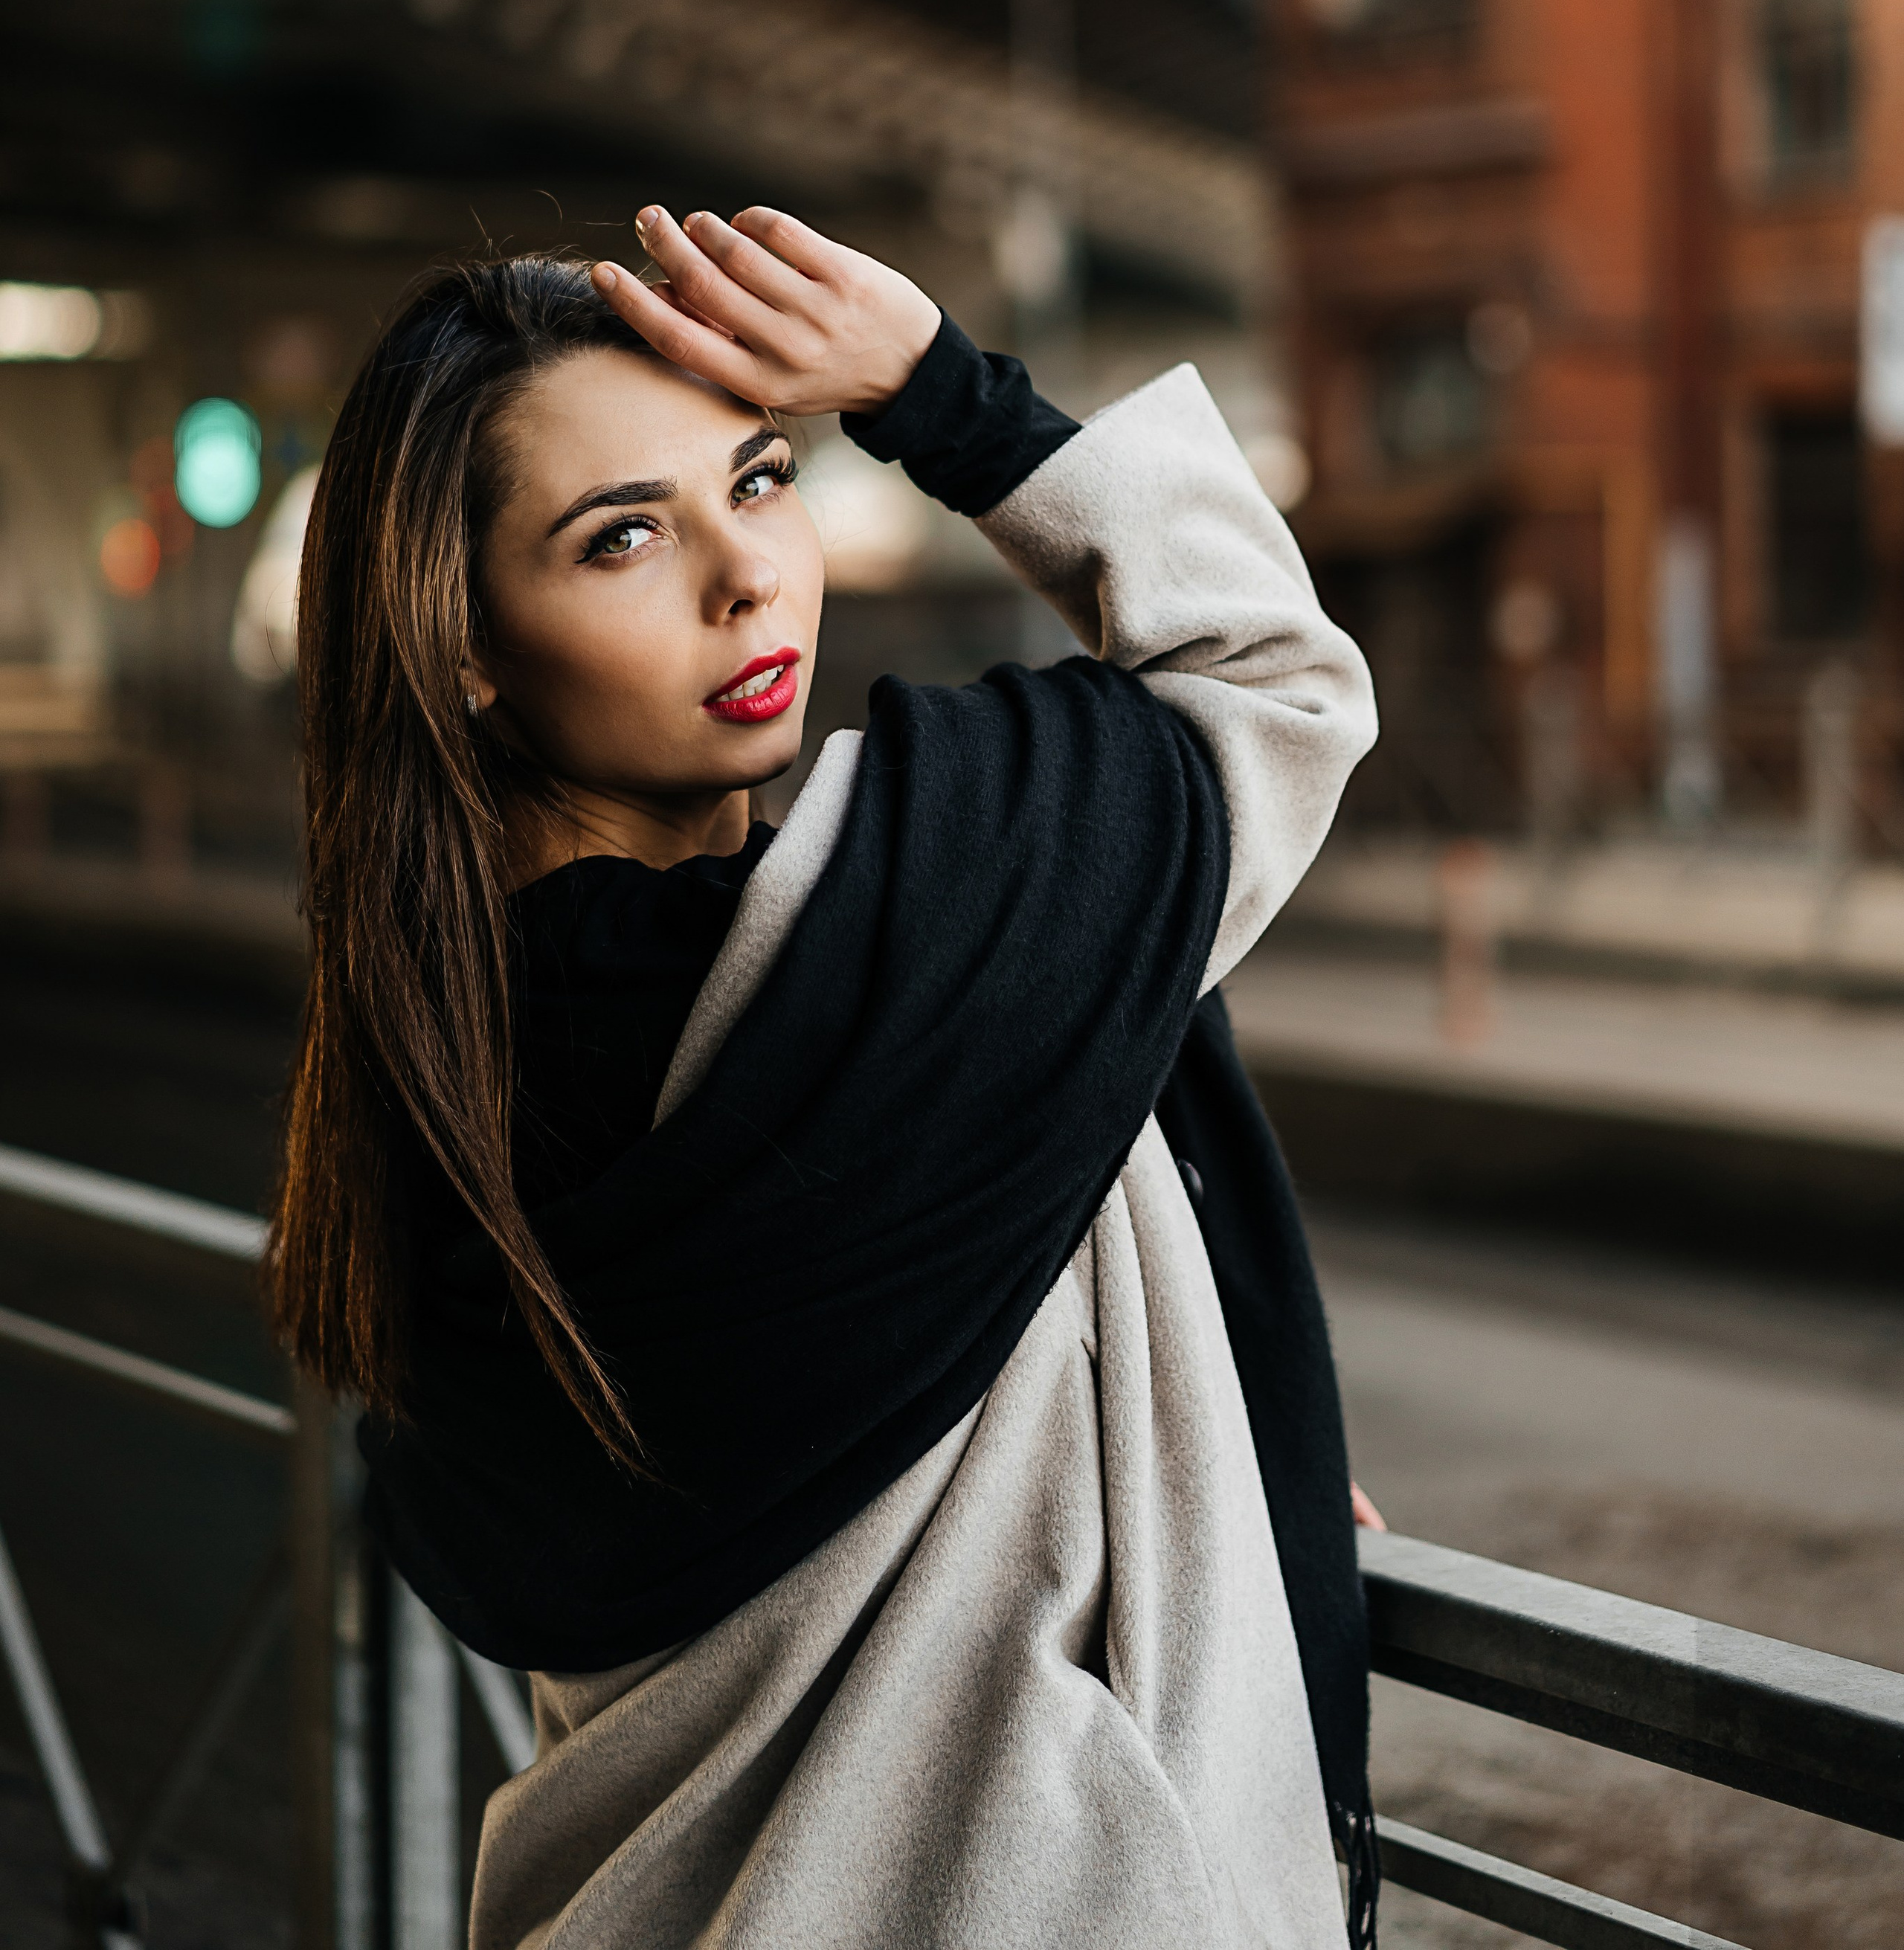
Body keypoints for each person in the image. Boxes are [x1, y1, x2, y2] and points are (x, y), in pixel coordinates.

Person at [270, 202, 1383, 1950]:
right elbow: (1269, 674)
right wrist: (945, 391)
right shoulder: (890, 953)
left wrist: (1189, 1432)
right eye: (622, 537)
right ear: (464, 641)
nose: (746, 574)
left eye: (763, 477)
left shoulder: (425, 1065)